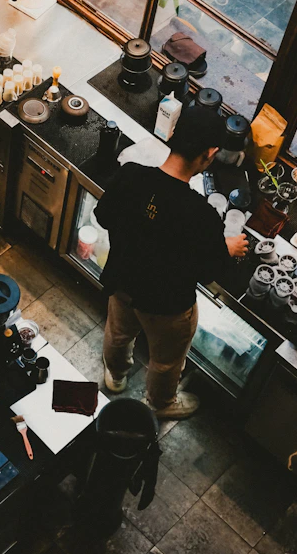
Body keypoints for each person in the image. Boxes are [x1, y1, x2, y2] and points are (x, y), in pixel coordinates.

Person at [95, 106, 248, 420]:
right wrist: (226, 248)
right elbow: (208, 271)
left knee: (118, 334)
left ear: (173, 137)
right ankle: (161, 403)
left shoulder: (131, 174)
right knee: (166, 361)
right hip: (166, 306)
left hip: (123, 284)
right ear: (210, 153)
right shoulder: (201, 214)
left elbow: (103, 215)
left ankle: (115, 376)